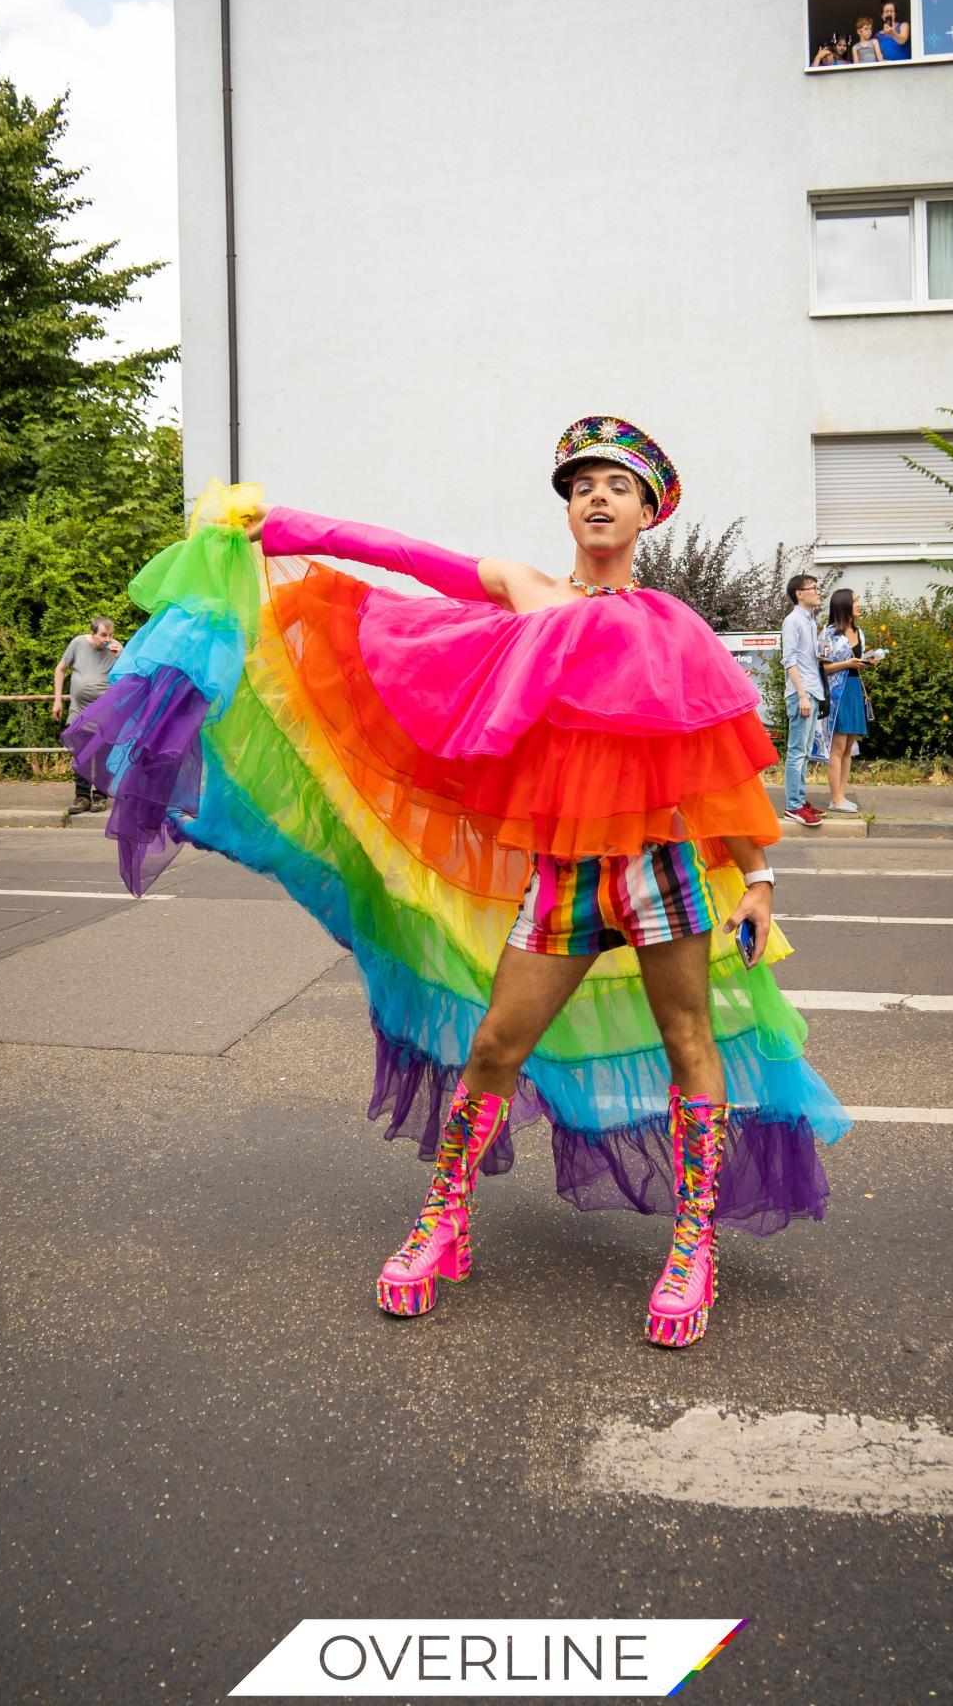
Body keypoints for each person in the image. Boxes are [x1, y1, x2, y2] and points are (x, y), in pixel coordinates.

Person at [66, 426, 849, 1350]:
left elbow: (715, 762)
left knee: (688, 1037)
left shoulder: (675, 626)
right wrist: (277, 526)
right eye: (582, 485)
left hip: (663, 867)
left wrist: (756, 878)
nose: (598, 498)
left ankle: (690, 1244)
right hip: (565, 874)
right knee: (494, 1045)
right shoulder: (529, 592)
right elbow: (405, 557)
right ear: (567, 508)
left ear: (649, 511)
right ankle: (446, 1218)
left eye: (618, 487)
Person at [812, 589, 880, 812]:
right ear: (843, 605)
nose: (859, 604)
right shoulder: (829, 633)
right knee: (837, 748)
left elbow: (855, 662)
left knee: (849, 747)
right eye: (855, 601)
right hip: (837, 694)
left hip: (853, 691)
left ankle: (841, 795)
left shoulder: (858, 632)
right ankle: (836, 798)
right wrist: (848, 664)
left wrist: (868, 662)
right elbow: (824, 668)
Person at [52, 617, 123, 812]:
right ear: (92, 633)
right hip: (80, 712)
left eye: (110, 635)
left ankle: (100, 796)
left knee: (103, 756)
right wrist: (57, 700)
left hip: (106, 713)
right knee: (80, 754)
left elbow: (129, 677)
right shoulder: (77, 643)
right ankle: (81, 798)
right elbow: (60, 669)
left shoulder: (117, 650)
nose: (107, 639)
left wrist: (121, 658)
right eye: (102, 635)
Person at [781, 574, 826, 827]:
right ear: (800, 593)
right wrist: (801, 695)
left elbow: (807, 658)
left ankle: (799, 800)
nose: (818, 592)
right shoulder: (793, 621)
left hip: (812, 691)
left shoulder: (809, 622)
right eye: (814, 588)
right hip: (803, 693)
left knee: (805, 752)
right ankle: (793, 806)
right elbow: (789, 660)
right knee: (797, 752)